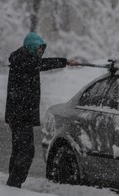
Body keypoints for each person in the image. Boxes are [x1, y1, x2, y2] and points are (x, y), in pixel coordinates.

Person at [5, 32, 78, 188]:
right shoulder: (24, 61)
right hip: (20, 116)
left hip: (18, 115)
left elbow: (40, 63)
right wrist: (64, 62)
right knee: (27, 152)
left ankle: (12, 183)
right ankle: (14, 184)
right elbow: (43, 64)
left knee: (19, 151)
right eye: (38, 48)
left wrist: (64, 62)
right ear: (31, 47)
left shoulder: (24, 59)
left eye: (42, 48)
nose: (40, 51)